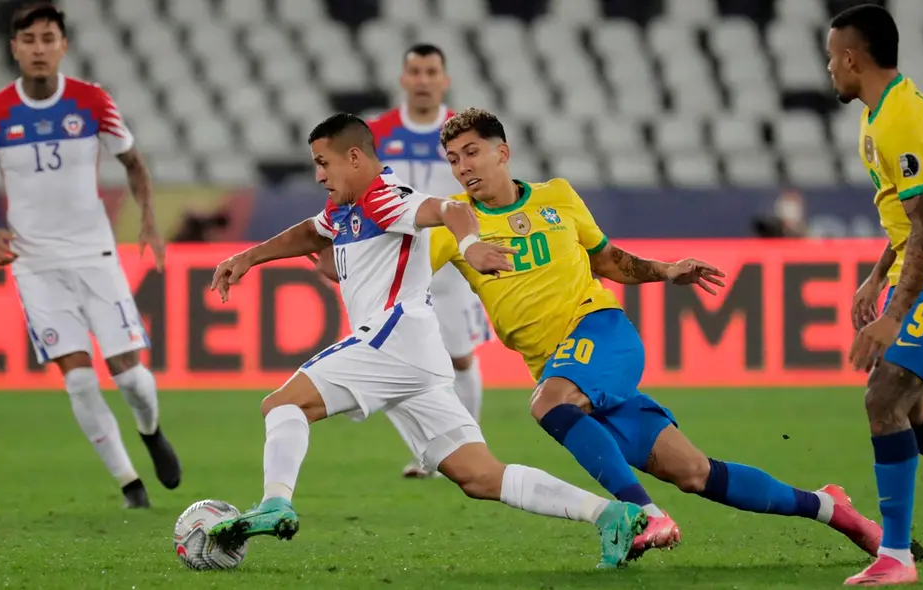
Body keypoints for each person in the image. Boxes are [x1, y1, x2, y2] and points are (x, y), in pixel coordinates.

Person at [425, 107, 883, 560]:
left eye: (472, 152)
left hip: (600, 332)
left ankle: (645, 514)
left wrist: (667, 270)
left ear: (502, 152)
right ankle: (830, 507)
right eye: (453, 159)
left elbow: (605, 259)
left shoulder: (557, 197)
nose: (463, 167)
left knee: (548, 403)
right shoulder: (454, 224)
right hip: (560, 367)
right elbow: (400, 274)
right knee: (694, 472)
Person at [207, 113, 648, 569]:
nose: (319, 175)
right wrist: (248, 257)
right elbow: (311, 231)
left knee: (282, 404)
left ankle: (275, 502)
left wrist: (471, 243)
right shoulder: (346, 206)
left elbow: (449, 210)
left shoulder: (386, 197)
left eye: (324, 163)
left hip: (391, 339)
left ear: (354, 157)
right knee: (479, 476)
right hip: (417, 358)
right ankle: (610, 514)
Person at [0, 3, 179, 508]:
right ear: (14, 48)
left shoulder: (92, 101)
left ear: (63, 46)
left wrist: (147, 219)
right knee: (78, 378)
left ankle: (151, 430)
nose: (38, 48)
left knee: (130, 376)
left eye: (48, 38)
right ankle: (130, 485)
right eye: (28, 39)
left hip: (96, 254)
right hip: (35, 264)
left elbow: (134, 162)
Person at [314, 43, 488, 479]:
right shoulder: (377, 133)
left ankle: (470, 446)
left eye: (432, 71)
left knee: (461, 359)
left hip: (451, 258)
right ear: (403, 80)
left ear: (444, 80)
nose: (424, 79)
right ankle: (430, 454)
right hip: (392, 258)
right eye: (416, 71)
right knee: (390, 353)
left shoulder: (461, 132)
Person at [830, 4, 923, 585]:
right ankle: (896, 553)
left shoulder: (900, 120)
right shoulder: (881, 116)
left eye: (831, 58)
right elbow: (907, 224)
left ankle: (896, 556)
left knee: (885, 400)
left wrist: (893, 316)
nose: (829, 70)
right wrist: (879, 274)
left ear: (852, 58)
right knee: (912, 407)